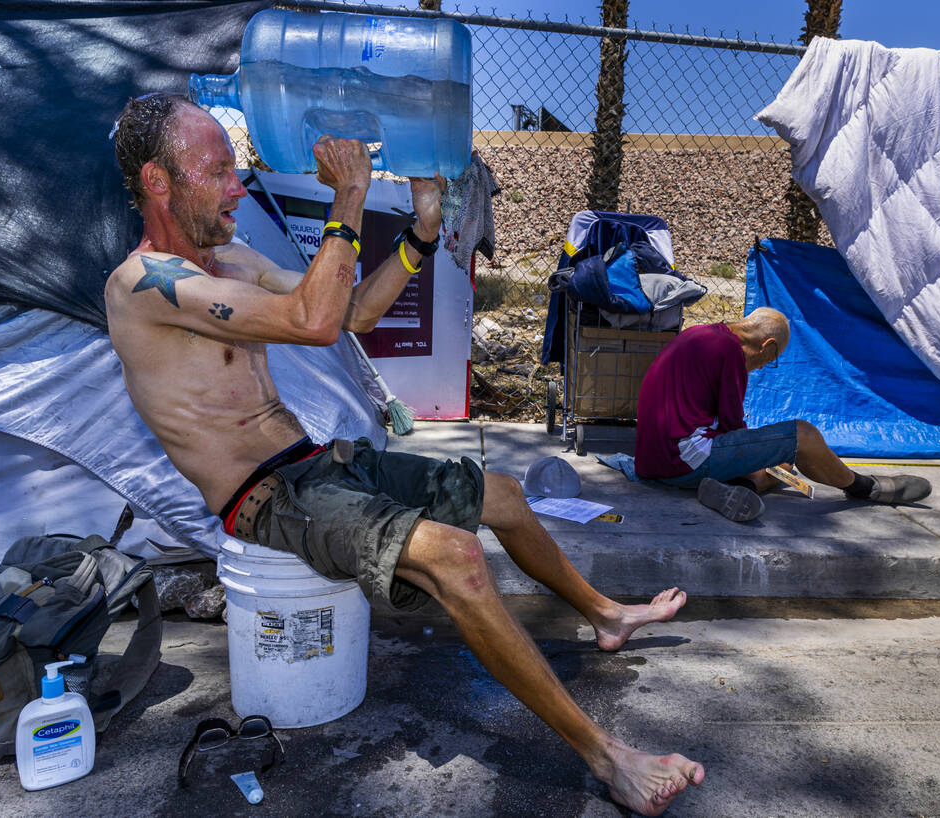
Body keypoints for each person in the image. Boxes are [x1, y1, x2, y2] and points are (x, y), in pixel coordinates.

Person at [104, 93, 703, 815]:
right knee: (457, 556)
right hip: (262, 497)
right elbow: (314, 322)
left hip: (315, 463)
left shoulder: (227, 258)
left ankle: (605, 614)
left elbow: (352, 313)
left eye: (236, 168)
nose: (237, 184)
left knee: (505, 495)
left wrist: (420, 235)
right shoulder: (142, 286)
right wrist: (350, 194)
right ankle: (609, 759)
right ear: (159, 182)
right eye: (218, 170)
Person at [635, 308, 932, 521]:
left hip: (653, 462)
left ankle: (741, 490)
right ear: (768, 346)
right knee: (802, 435)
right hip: (685, 459)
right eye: (770, 360)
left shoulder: (702, 335)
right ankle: (864, 487)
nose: (764, 365)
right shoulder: (730, 352)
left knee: (783, 468)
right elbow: (732, 427)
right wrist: (759, 452)